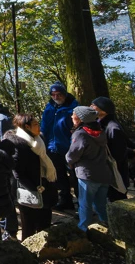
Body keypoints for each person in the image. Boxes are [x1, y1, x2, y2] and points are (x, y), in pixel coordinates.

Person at [4, 114, 57, 240]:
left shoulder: (39, 139)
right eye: (35, 125)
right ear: (26, 127)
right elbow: (17, 173)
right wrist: (35, 188)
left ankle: (45, 249)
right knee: (29, 226)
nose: (39, 127)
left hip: (45, 185)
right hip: (28, 189)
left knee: (45, 222)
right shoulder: (18, 144)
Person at [66, 106, 111, 231]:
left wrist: (68, 162)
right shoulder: (101, 131)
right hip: (104, 173)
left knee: (85, 205)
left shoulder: (81, 134)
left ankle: (83, 229)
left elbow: (72, 155)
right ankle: (107, 226)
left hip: (87, 175)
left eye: (73, 114)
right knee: (101, 204)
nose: (71, 117)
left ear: (80, 118)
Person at [40, 81, 78, 210]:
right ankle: (65, 200)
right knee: (59, 176)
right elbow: (44, 126)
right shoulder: (49, 107)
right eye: (53, 94)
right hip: (52, 148)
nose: (56, 97)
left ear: (65, 94)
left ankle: (83, 204)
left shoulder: (73, 107)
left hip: (69, 148)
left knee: (75, 177)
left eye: (59, 94)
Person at [90, 97, 129, 201]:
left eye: (93, 105)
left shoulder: (113, 128)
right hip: (106, 169)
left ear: (103, 110)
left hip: (116, 170)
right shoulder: (99, 123)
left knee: (117, 198)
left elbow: (118, 154)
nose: (90, 107)